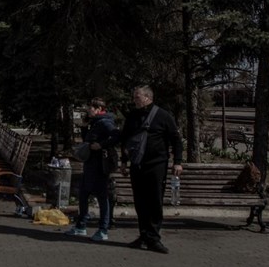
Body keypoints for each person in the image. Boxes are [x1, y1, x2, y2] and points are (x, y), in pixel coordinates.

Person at [119, 85, 183, 254]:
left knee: (154, 201)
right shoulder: (132, 116)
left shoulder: (163, 116)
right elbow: (125, 139)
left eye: (137, 97)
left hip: (157, 165)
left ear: (147, 97)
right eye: (134, 97)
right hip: (137, 165)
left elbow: (176, 140)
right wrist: (124, 161)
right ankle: (144, 235)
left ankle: (153, 238)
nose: (134, 100)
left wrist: (177, 161)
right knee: (140, 203)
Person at [65, 98, 121, 241]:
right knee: (83, 193)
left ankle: (103, 229)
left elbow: (116, 136)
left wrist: (101, 145)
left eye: (90, 108)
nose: (88, 110)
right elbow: (88, 140)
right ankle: (81, 225)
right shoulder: (94, 123)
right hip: (91, 164)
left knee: (102, 196)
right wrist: (84, 127)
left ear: (98, 109)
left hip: (99, 165)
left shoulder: (104, 122)